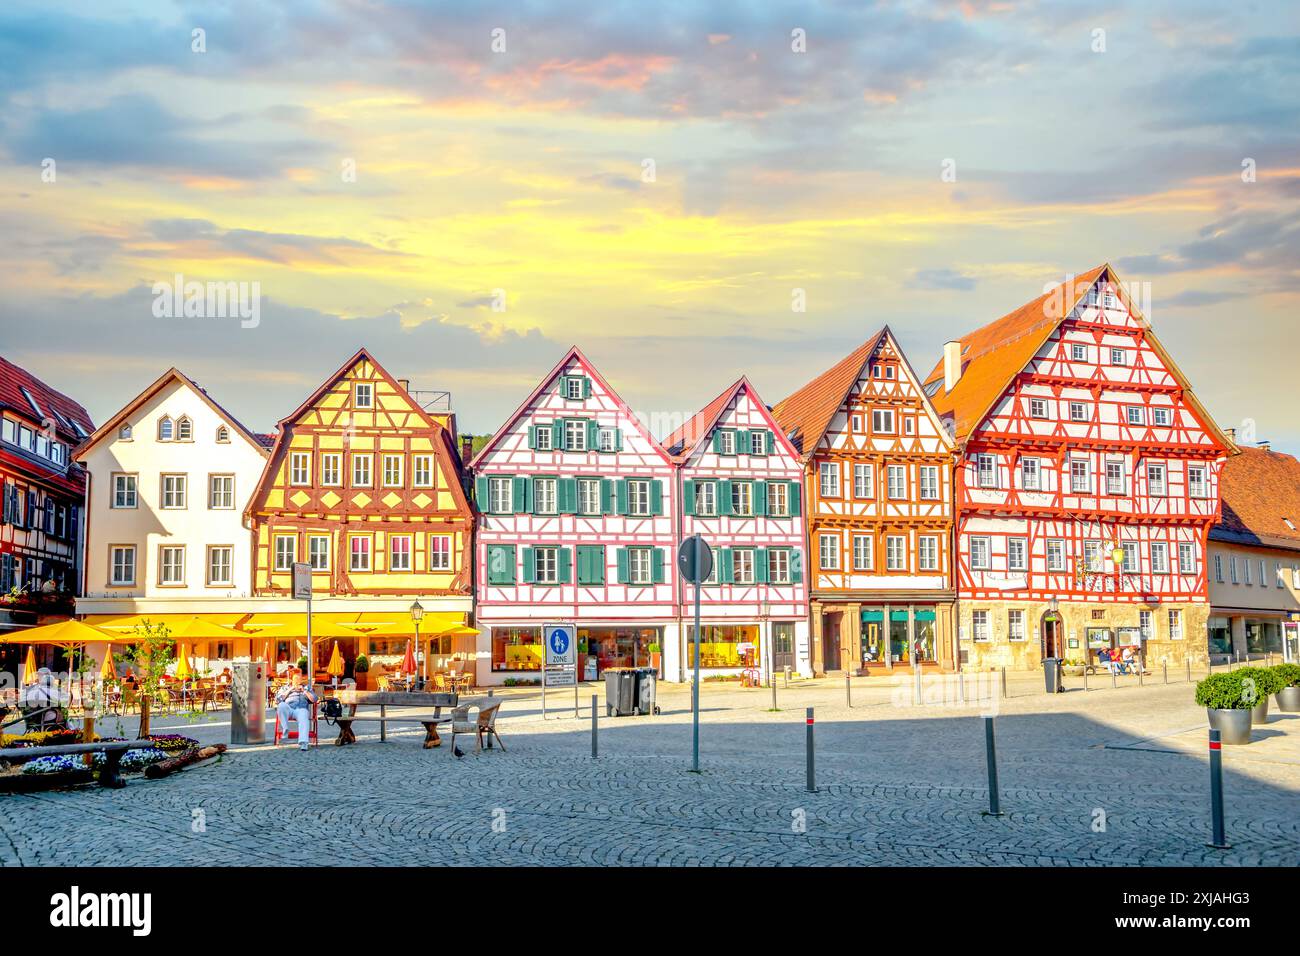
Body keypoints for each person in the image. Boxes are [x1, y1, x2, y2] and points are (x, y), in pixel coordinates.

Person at [275, 672, 317, 750]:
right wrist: (290, 690)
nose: (298, 681)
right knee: (281, 705)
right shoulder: (285, 688)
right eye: (296, 679)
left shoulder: (307, 688)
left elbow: (314, 699)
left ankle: (303, 742)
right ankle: (285, 729)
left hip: (301, 709)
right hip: (289, 709)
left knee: (304, 715)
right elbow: (278, 700)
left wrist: (304, 691)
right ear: (291, 680)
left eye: (299, 678)